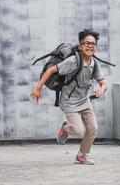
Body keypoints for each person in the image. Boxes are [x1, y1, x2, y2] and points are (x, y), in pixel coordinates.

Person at [31, 29, 108, 165]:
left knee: (93, 129)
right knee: (78, 131)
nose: (90, 46)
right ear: (80, 46)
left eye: (93, 44)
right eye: (87, 43)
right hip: (70, 101)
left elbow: (103, 83)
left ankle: (82, 155)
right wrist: (38, 88)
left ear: (96, 47)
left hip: (84, 100)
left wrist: (101, 90)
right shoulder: (73, 61)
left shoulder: (94, 63)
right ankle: (65, 127)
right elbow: (51, 70)